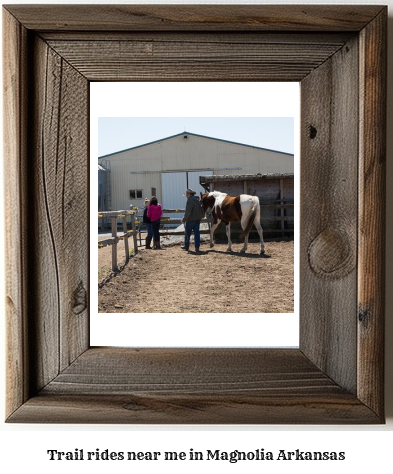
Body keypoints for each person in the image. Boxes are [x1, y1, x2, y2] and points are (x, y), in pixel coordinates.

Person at [181, 188, 203, 253]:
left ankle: (186, 246)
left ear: (189, 194)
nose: (186, 195)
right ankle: (197, 248)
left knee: (187, 234)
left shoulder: (190, 200)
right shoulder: (197, 200)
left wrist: (184, 219)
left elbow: (188, 212)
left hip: (190, 220)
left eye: (187, 194)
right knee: (197, 234)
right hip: (197, 220)